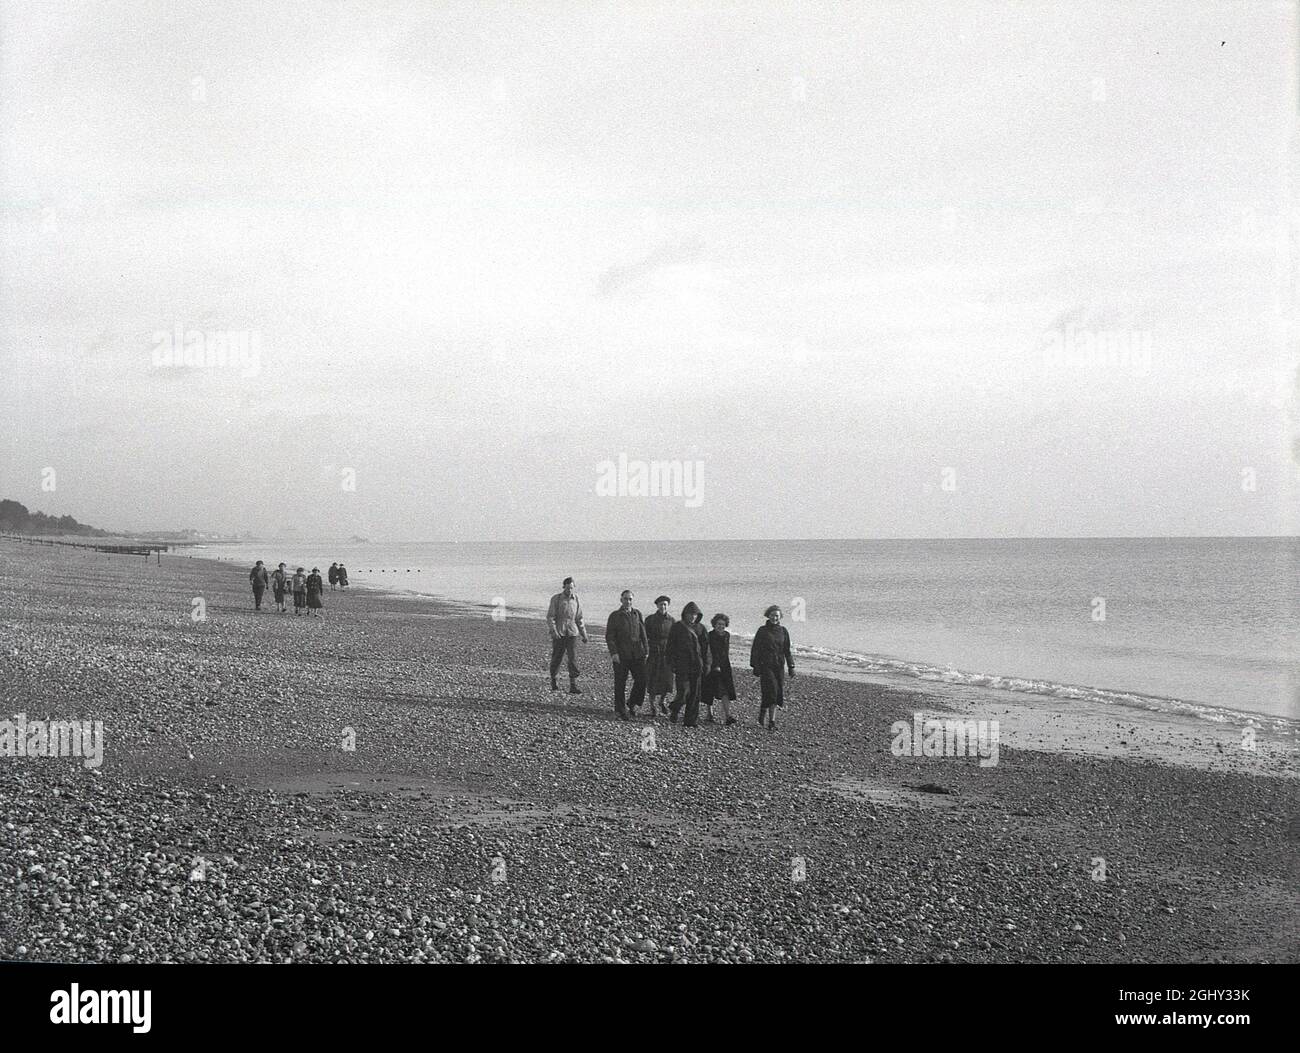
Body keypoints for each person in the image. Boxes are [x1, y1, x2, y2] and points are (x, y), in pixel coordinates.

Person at [605, 589, 649, 720]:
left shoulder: (637, 613)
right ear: (621, 600)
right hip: (621, 654)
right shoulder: (615, 616)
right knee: (620, 683)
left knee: (642, 680)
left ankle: (633, 703)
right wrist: (614, 653)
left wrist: (646, 650)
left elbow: (643, 633)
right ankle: (620, 710)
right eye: (625, 599)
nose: (628, 601)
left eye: (630, 599)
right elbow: (610, 636)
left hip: (637, 654)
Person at [750, 605, 795, 732]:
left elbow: (787, 650)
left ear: (780, 617)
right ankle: (772, 722)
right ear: (768, 616)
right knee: (772, 691)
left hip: (779, 666)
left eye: (777, 615)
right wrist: (755, 666)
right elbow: (755, 649)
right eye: (772, 615)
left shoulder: (783, 631)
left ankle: (764, 712)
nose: (774, 617)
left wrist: (791, 666)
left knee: (777, 691)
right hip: (766, 665)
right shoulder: (762, 630)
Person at [668, 601, 711, 727]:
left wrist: (707, 664)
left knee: (695, 694)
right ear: (685, 614)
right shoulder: (677, 627)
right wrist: (671, 663)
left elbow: (706, 648)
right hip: (682, 665)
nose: (693, 616)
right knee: (684, 692)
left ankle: (690, 721)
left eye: (695, 614)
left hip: (697, 665)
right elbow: (670, 647)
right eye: (690, 614)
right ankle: (675, 708)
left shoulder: (701, 628)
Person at [546, 577, 588, 694]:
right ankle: (554, 681)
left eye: (572, 588)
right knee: (557, 658)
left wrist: (584, 634)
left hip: (572, 633)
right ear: (564, 587)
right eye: (568, 587)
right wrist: (554, 631)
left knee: (572, 658)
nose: (570, 590)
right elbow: (550, 617)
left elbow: (579, 618)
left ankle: (573, 685)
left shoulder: (576, 600)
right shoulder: (557, 599)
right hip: (559, 633)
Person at [644, 596, 675, 716]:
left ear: (668, 606)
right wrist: (646, 651)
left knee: (667, 681)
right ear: (657, 605)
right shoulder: (650, 619)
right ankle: (652, 705)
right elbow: (645, 636)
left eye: (665, 604)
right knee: (652, 680)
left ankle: (662, 701)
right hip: (654, 653)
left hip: (667, 653)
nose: (663, 607)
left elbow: (675, 638)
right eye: (661, 604)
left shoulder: (672, 620)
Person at [705, 613, 737, 725]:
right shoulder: (709, 635)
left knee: (725, 690)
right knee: (709, 691)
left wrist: (723, 665)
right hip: (712, 665)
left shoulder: (727, 635)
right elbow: (708, 651)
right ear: (714, 624)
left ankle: (728, 716)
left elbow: (725, 652)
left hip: (725, 666)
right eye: (718, 624)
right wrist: (712, 665)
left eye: (723, 624)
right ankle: (709, 713)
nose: (721, 626)